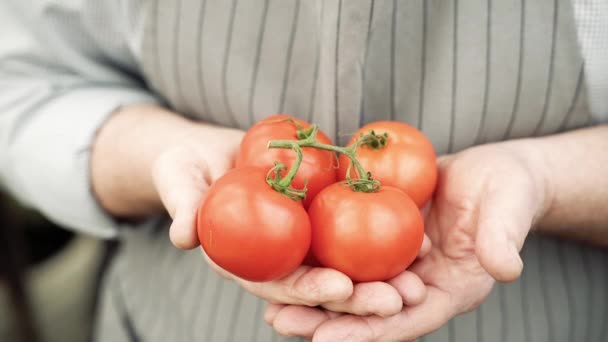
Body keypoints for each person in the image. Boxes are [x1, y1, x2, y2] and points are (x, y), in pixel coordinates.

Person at [1, 0, 607, 341]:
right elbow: (21, 85)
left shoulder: (295, 163)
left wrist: (547, 178)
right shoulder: (322, 169)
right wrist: (157, 150)